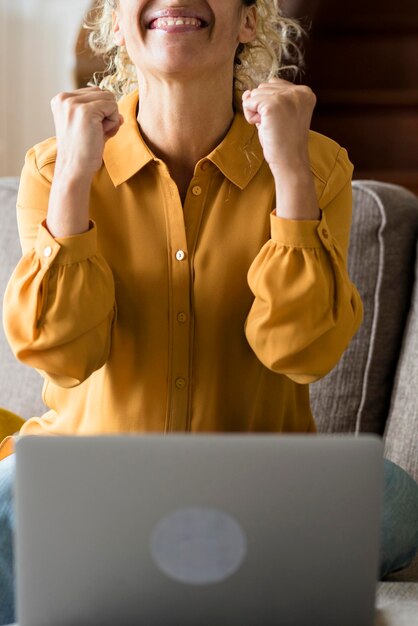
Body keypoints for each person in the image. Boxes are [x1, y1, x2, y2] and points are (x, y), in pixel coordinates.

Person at [1, 0, 418, 623]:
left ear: (249, 21)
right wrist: (74, 178)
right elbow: (61, 356)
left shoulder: (316, 165)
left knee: (395, 502)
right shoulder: (54, 166)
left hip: (257, 489)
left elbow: (301, 353)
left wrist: (290, 172)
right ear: (117, 21)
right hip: (85, 484)